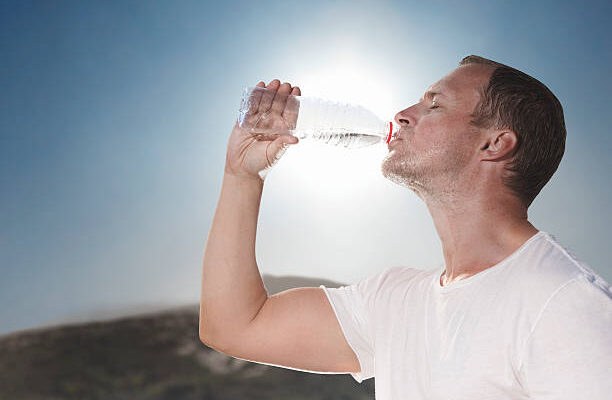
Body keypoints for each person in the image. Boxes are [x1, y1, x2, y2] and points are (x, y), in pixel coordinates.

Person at [199, 55, 611, 399]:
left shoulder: (565, 304)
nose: (402, 114)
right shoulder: (394, 300)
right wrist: (242, 177)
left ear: (494, 143)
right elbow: (236, 326)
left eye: (435, 105)